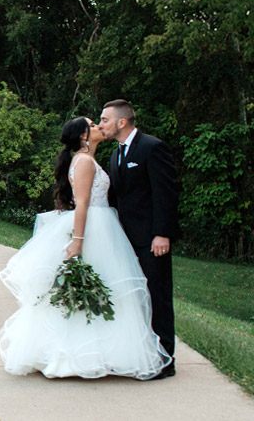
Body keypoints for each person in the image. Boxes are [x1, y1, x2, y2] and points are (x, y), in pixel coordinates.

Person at [0, 117, 171, 380]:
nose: (99, 127)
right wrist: (77, 241)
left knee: (101, 289)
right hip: (93, 229)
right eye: (92, 125)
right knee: (98, 289)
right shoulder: (85, 161)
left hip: (103, 227)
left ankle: (104, 353)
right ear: (82, 136)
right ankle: (78, 355)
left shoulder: (90, 159)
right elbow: (82, 204)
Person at [97, 99, 181, 380]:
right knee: (136, 298)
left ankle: (165, 361)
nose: (101, 125)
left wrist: (162, 233)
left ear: (122, 122)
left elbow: (165, 193)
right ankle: (142, 354)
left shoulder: (151, 147)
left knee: (157, 296)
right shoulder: (116, 154)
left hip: (151, 239)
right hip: (125, 240)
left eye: (105, 120)